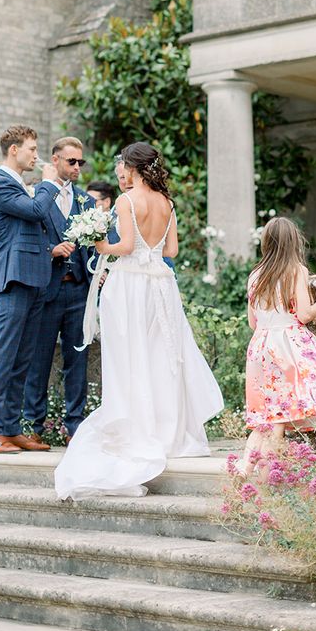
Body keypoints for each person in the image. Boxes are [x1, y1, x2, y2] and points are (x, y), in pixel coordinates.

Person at [53, 142, 223, 500]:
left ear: (132, 168)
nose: (123, 174)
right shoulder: (167, 203)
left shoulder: (127, 201)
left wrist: (101, 246)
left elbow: (126, 246)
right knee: (162, 355)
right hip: (161, 284)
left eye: (124, 168)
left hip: (130, 285)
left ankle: (137, 428)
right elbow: (172, 251)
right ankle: (168, 431)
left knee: (130, 357)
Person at [237, 218, 316, 476]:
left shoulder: (255, 275)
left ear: (266, 243)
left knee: (265, 420)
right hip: (286, 347)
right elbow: (304, 314)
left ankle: (243, 470)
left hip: (260, 346)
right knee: (278, 421)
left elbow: (252, 321)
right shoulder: (296, 271)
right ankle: (264, 480)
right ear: (294, 242)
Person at [0, 125, 57, 454]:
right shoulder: (0, 185)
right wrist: (50, 182)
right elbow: (37, 211)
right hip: (13, 278)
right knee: (3, 356)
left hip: (35, 277)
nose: (36, 155)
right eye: (31, 149)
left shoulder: (21, 185)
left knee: (22, 359)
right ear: (14, 150)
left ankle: (11, 429)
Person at [23, 137, 97, 440]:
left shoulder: (87, 201)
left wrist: (99, 274)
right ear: (55, 161)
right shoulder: (34, 196)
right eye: (71, 161)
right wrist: (50, 250)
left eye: (81, 162)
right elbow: (25, 240)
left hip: (79, 291)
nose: (77, 167)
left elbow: (95, 248)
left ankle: (75, 426)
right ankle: (33, 425)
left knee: (77, 359)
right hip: (46, 290)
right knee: (38, 360)